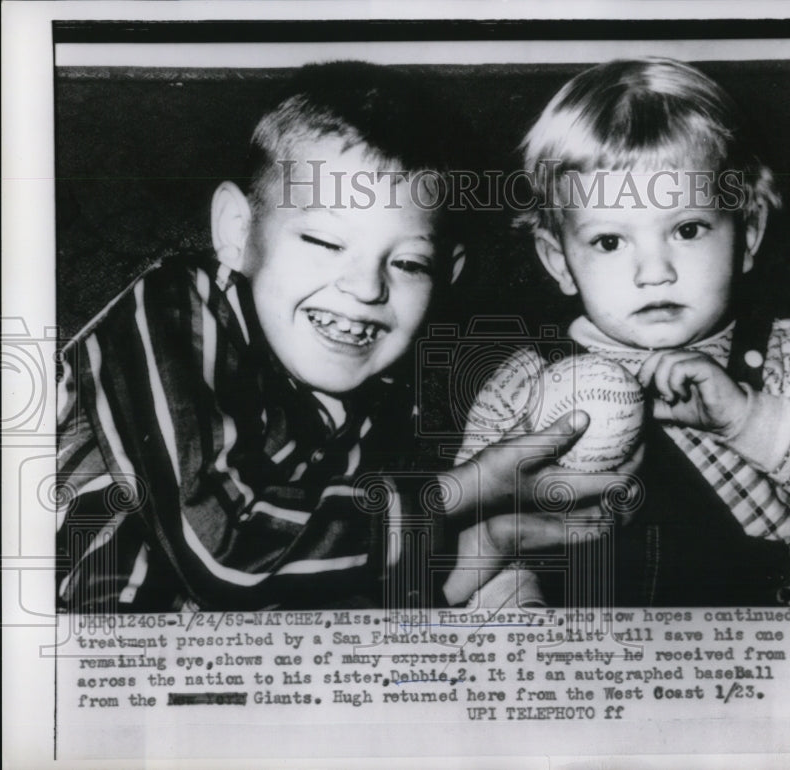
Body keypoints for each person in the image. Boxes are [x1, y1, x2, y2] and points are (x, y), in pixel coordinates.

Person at [55, 61, 623, 612]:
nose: (365, 287)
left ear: (444, 278)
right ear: (237, 230)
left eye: (406, 263)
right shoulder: (176, 307)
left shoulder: (367, 407)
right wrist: (462, 491)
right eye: (325, 243)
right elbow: (225, 553)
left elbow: (312, 597)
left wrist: (483, 550)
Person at [457, 57, 790, 606]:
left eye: (687, 229)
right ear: (559, 261)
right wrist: (524, 631)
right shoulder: (523, 383)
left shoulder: (783, 350)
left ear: (750, 233)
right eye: (610, 242)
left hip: (752, 644)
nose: (654, 271)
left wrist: (745, 415)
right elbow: (474, 537)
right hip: (580, 647)